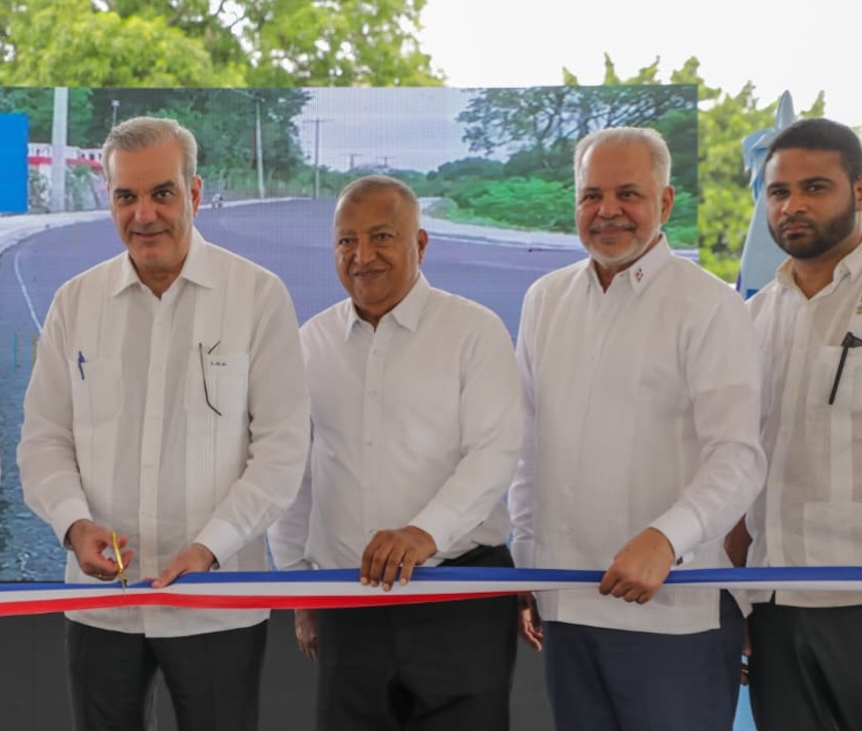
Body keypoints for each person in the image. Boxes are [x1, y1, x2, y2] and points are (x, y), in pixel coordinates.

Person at [18, 116, 310, 731]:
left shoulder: (257, 296)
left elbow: (282, 451)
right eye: (126, 196)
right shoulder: (76, 302)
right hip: (102, 603)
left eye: (162, 193)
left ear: (194, 193)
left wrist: (211, 547)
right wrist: (73, 526)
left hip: (217, 602)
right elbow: (45, 440)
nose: (143, 214)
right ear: (109, 198)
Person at [507, 127, 766, 731]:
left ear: (665, 202)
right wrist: (527, 562)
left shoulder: (709, 305)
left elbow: (738, 456)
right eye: (591, 195)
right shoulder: (544, 299)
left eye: (628, 193)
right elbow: (527, 450)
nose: (608, 211)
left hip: (675, 615)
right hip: (567, 605)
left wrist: (665, 539)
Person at [268, 175, 523, 730]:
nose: (362, 256)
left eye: (381, 237)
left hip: (459, 595)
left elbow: (493, 453)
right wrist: (298, 583)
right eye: (346, 241)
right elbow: (293, 472)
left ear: (420, 244)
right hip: (349, 602)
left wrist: (422, 533)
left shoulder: (473, 332)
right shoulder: (310, 343)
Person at [724, 117, 862, 730]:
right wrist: (737, 598)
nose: (792, 206)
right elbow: (736, 466)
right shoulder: (750, 319)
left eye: (815, 188)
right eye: (778, 192)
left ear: (859, 191)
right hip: (774, 606)